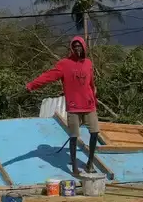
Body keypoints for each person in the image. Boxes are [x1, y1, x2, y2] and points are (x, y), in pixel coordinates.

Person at [26, 35, 100, 176]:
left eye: (80, 46)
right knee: (73, 136)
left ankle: (90, 163)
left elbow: (91, 84)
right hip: (74, 106)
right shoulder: (64, 64)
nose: (77, 48)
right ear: (72, 48)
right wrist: (32, 85)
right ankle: (74, 168)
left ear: (84, 47)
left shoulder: (88, 63)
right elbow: (48, 76)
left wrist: (94, 99)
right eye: (75, 46)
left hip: (89, 105)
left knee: (95, 133)